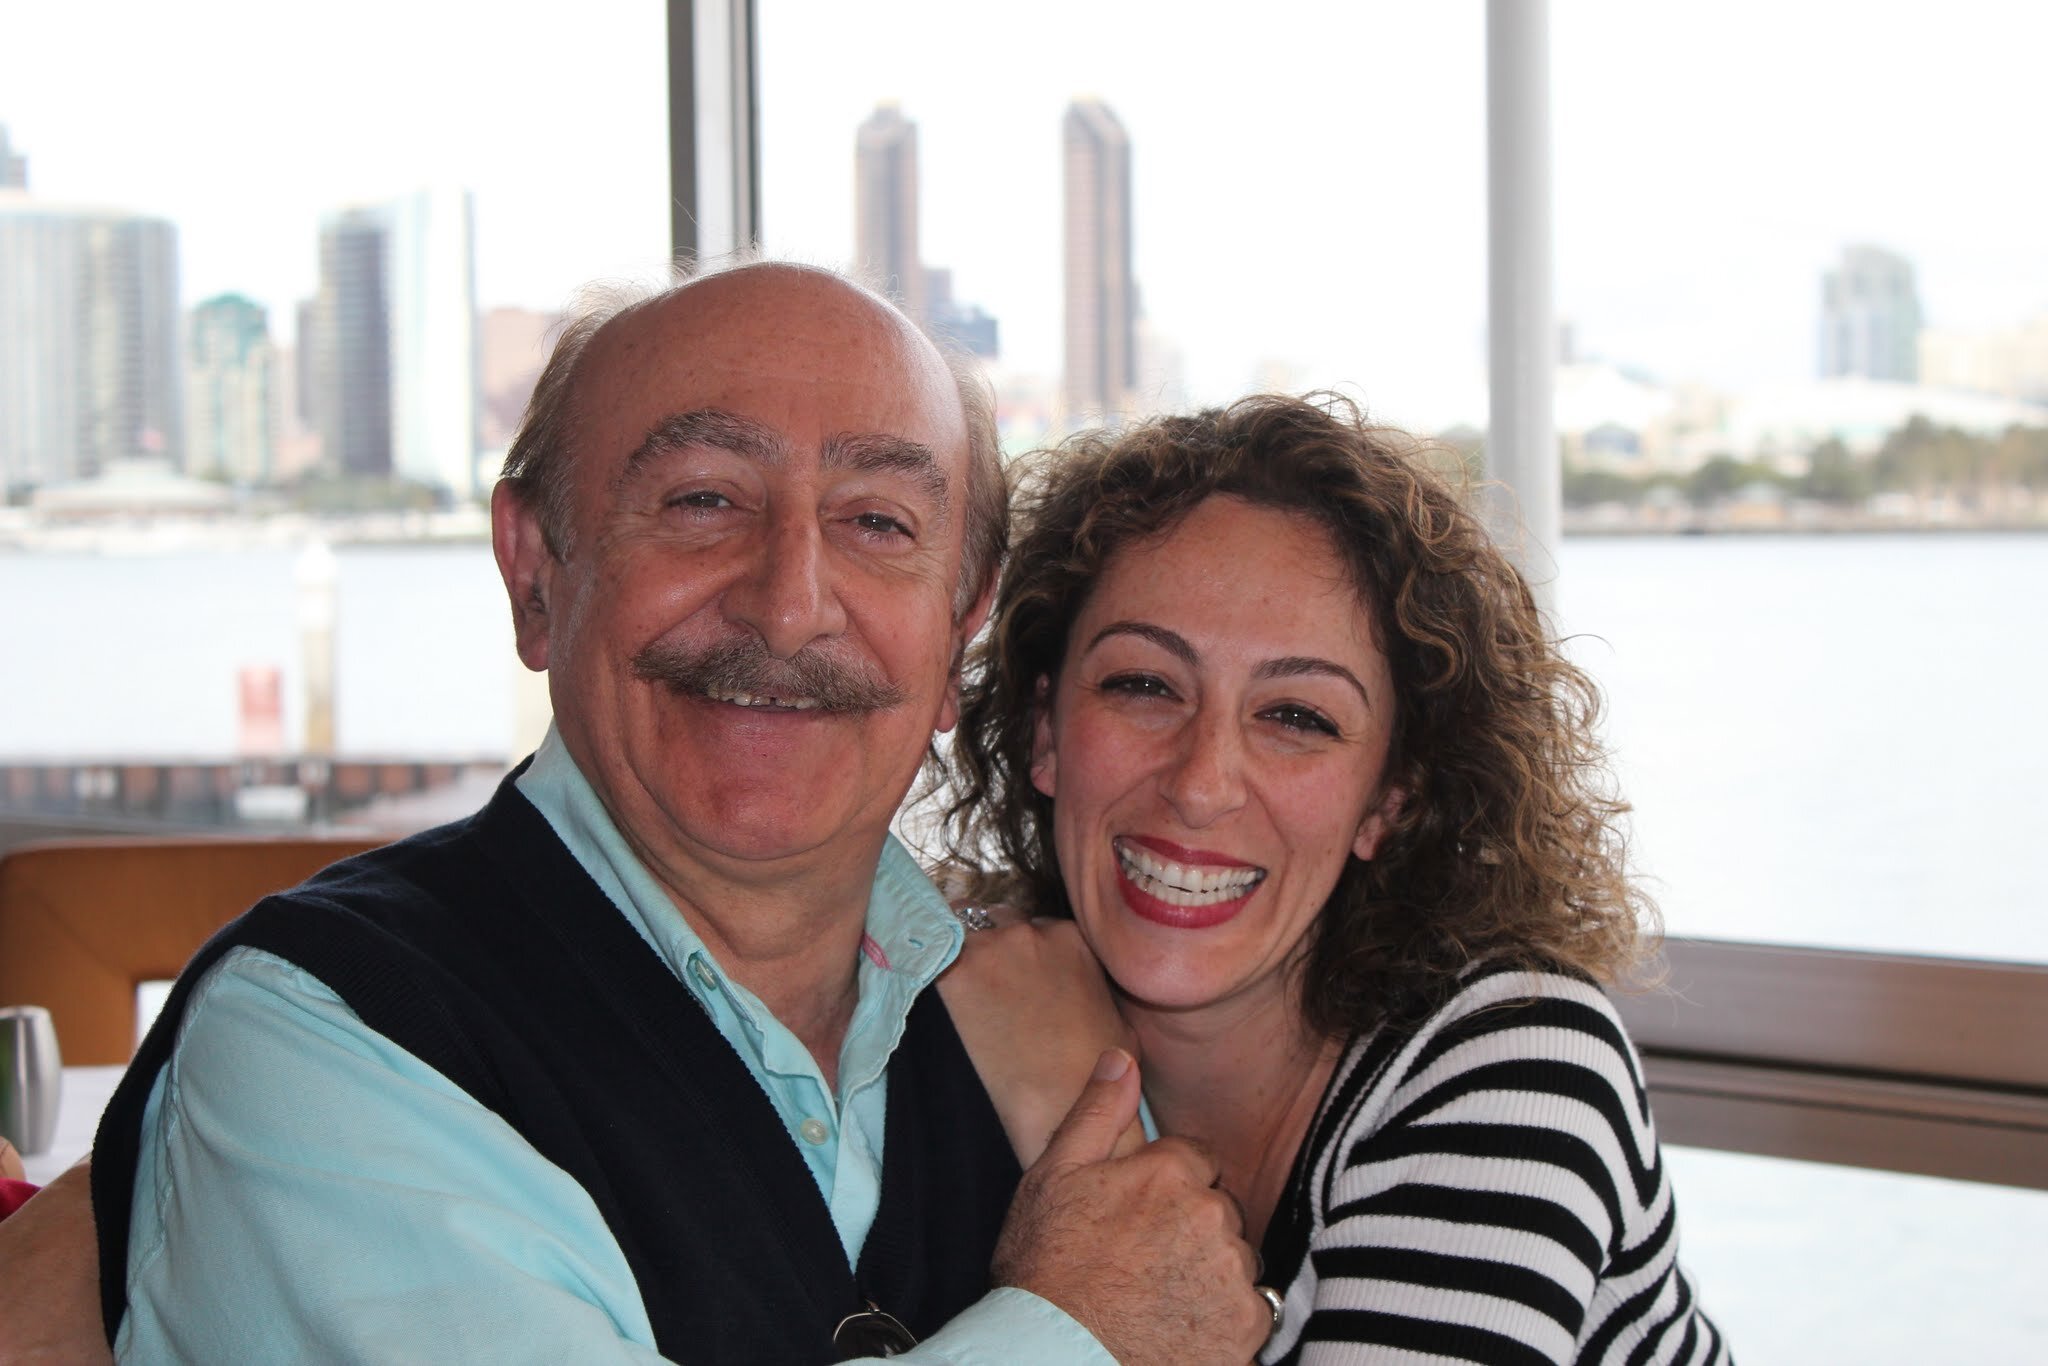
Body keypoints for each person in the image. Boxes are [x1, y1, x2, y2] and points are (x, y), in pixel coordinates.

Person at [18, 262, 1268, 1364]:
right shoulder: (320, 1035)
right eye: (702, 500)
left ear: (959, 629)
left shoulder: (1049, 1036)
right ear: (534, 575)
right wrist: (1079, 1329)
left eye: (876, 522)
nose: (790, 602)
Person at [932, 394, 1733, 1363]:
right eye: (1143, 684)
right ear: (1046, 731)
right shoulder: (960, 991)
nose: (1201, 784)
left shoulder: (1517, 1064)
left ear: (1390, 797)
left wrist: (1072, 1105)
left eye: (1296, 717)